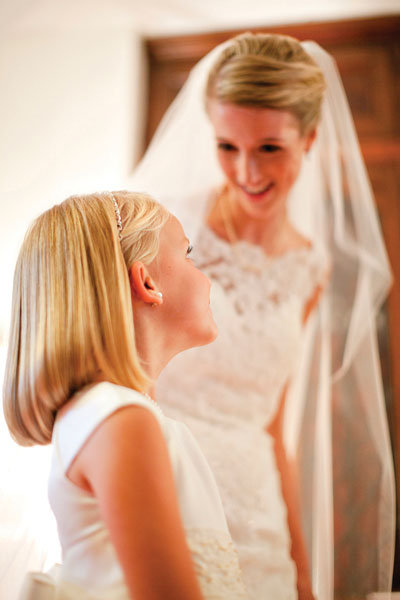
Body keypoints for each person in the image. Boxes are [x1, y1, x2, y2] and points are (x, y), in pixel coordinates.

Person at [129, 33, 396, 600]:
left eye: (269, 148)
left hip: (258, 510)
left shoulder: (310, 267)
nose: (246, 171)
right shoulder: (165, 231)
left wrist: (299, 563)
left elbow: (273, 425)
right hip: (159, 478)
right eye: (227, 146)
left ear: (311, 140)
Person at [2, 190, 248, 599]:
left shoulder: (116, 415)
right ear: (147, 282)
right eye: (189, 255)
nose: (207, 277)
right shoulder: (118, 420)